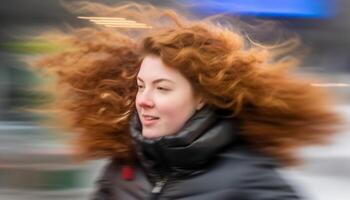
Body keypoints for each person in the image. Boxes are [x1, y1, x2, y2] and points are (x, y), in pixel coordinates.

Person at [31, 2, 342, 200]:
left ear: (202, 98)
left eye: (162, 88)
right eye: (141, 86)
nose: (144, 101)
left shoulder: (251, 180)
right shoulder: (123, 168)